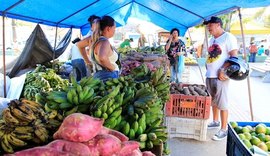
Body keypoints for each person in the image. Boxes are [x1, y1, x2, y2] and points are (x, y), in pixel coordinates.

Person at [203, 16, 238, 141]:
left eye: (210, 25)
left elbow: (234, 56)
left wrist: (223, 69)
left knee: (222, 103)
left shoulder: (228, 37)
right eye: (208, 25)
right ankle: (215, 121)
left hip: (221, 76)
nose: (208, 27)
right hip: (210, 75)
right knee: (214, 101)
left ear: (218, 24)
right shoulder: (212, 39)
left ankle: (223, 129)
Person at [90, 16, 120, 81]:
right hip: (107, 76)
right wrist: (112, 68)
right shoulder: (104, 42)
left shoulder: (96, 40)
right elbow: (102, 58)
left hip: (99, 75)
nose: (114, 31)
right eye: (114, 28)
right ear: (108, 28)